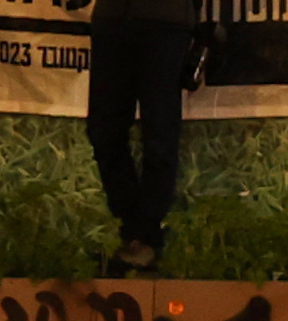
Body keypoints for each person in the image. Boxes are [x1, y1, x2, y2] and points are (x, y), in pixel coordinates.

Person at [85, 0, 208, 277]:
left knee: (160, 132)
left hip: (167, 20)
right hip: (112, 18)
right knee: (103, 128)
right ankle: (134, 227)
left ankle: (145, 234)